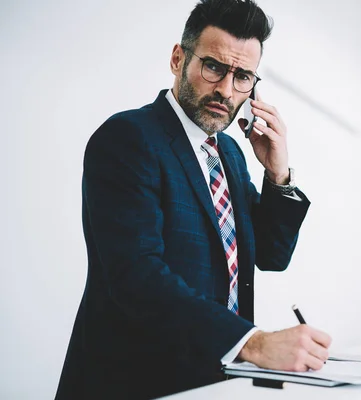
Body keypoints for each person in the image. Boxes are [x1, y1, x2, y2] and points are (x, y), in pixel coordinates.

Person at [55, 1, 331, 398]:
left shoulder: (231, 155)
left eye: (243, 77)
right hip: (131, 382)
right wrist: (253, 343)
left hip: (209, 383)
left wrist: (278, 175)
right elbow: (137, 276)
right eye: (214, 67)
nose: (225, 89)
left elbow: (271, 255)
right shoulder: (128, 138)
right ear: (177, 58)